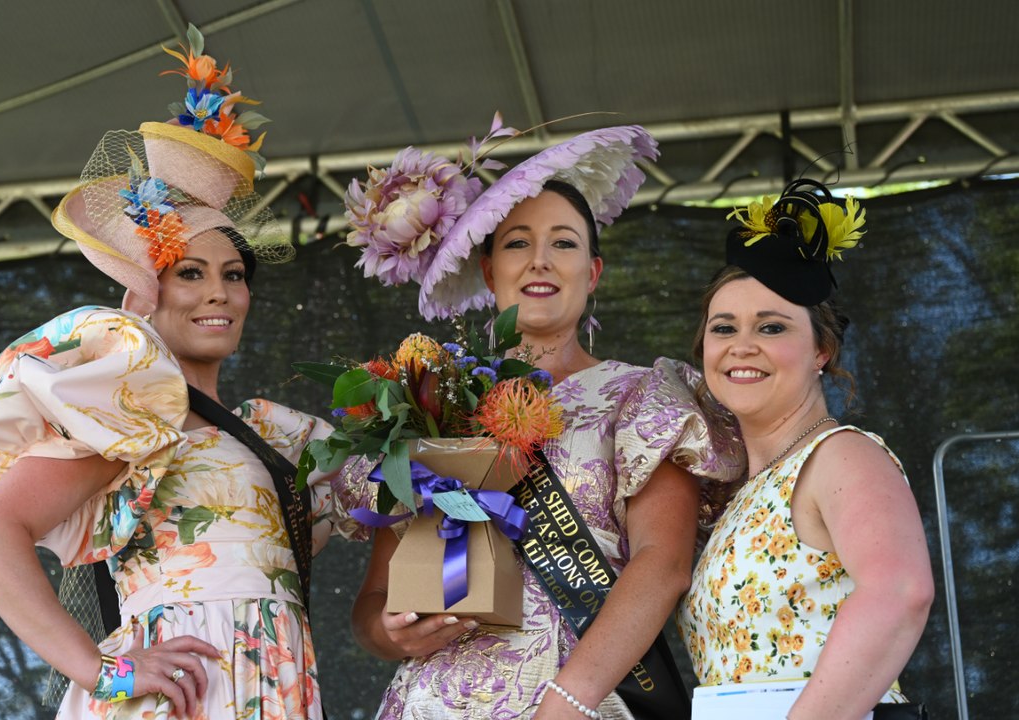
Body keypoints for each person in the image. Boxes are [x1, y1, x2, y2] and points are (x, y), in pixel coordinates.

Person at [0, 28, 335, 719]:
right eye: (190, 272)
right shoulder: (131, 420)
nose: (217, 292)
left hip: (275, 686)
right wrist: (104, 673)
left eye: (233, 275)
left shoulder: (277, 436)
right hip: (182, 697)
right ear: (145, 295)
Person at [334, 126, 745, 719]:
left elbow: (664, 565)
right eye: (518, 243)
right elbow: (373, 602)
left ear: (594, 271)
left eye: (564, 243)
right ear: (489, 268)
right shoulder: (433, 404)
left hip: (576, 704)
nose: (540, 261)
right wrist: (389, 631)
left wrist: (566, 700)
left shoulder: (640, 396)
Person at [677, 179, 934, 719]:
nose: (742, 346)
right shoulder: (742, 490)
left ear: (822, 349)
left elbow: (901, 591)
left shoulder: (841, 455)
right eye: (724, 327)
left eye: (771, 327)